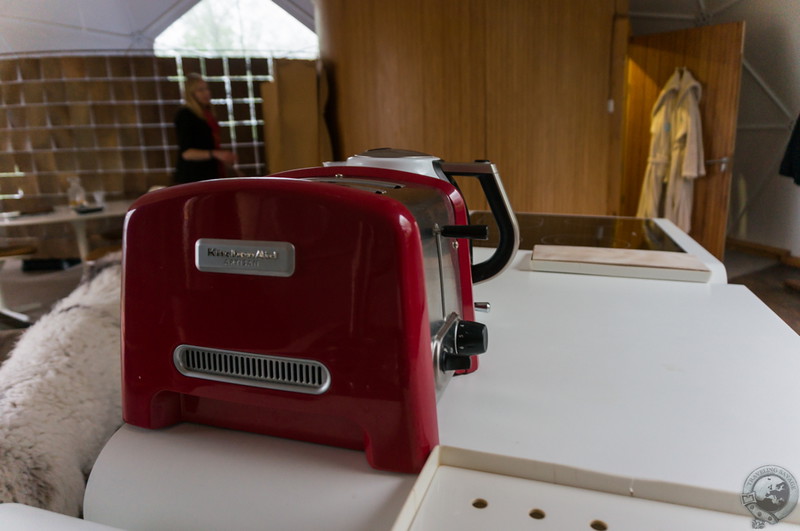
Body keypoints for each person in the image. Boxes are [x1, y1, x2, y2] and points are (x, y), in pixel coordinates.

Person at [173, 73, 237, 184]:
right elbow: (187, 153)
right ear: (191, 93)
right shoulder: (185, 115)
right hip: (193, 177)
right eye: (200, 90)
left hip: (210, 173)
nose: (206, 93)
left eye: (206, 89)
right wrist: (216, 154)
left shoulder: (207, 114)